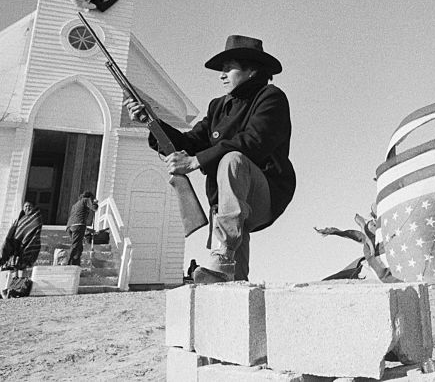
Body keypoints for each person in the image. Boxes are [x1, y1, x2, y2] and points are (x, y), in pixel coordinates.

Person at [126, 35, 295, 284]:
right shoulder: (218, 106)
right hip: (228, 204)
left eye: (229, 68)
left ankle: (223, 253)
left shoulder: (271, 97)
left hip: (265, 194)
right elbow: (189, 142)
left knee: (233, 159)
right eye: (222, 69)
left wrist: (196, 162)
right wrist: (151, 123)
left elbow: (253, 142)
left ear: (252, 71)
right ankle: (228, 275)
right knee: (232, 281)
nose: (222, 75)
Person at [0, 200, 44, 276]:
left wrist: (27, 239)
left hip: (27, 243)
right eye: (26, 206)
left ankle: (20, 280)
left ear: (33, 208)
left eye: (30, 206)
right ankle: (15, 279)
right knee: (14, 264)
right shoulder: (20, 218)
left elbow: (34, 229)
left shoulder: (35, 218)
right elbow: (15, 229)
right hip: (15, 243)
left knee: (23, 263)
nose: (28, 208)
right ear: (23, 208)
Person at [65, 191, 99, 266]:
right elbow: (94, 208)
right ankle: (67, 264)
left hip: (70, 227)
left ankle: (75, 266)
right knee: (75, 246)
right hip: (78, 226)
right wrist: (95, 203)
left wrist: (88, 230)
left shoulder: (75, 205)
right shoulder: (86, 200)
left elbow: (76, 217)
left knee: (79, 248)